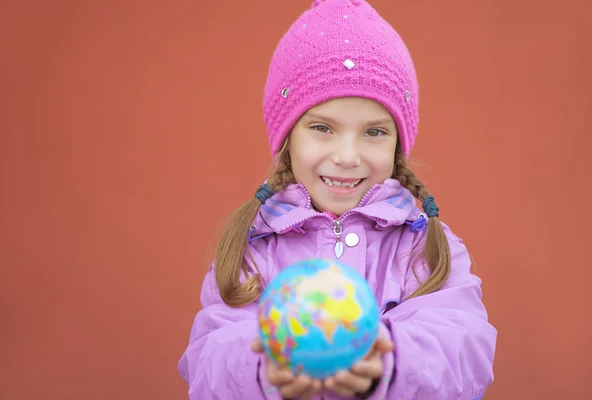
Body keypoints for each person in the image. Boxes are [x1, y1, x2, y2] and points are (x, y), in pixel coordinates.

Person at [177, 0, 497, 399]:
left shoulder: (424, 246)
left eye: (374, 132)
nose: (347, 156)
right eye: (322, 128)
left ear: (397, 144)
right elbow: (208, 360)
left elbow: (463, 349)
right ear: (287, 139)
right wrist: (262, 371)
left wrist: (386, 365)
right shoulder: (255, 250)